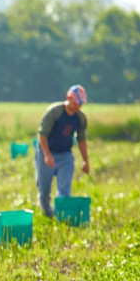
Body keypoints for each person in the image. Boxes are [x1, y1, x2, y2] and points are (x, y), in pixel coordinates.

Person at [35, 84, 90, 217]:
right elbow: (42, 135)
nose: (78, 106)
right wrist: (47, 155)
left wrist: (86, 161)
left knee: (64, 190)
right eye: (76, 102)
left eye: (80, 104)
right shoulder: (55, 112)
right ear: (69, 98)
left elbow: (81, 140)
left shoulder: (80, 118)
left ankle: (62, 217)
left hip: (65, 155)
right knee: (44, 191)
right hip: (46, 151)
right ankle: (48, 215)